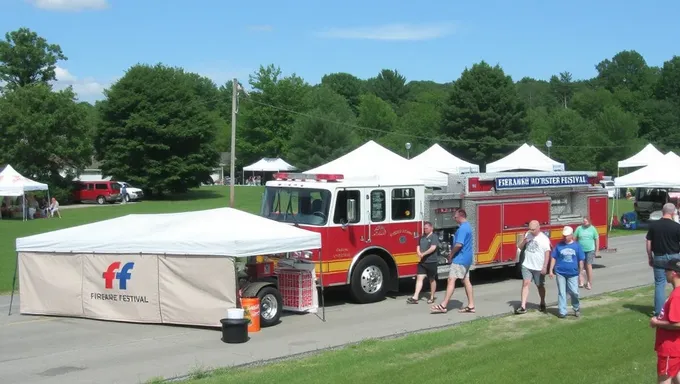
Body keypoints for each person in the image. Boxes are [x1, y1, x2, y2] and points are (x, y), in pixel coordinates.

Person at [431, 209, 475, 314]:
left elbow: (459, 244)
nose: (454, 219)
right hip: (467, 259)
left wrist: (451, 255)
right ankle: (471, 305)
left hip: (460, 258)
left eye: (455, 217)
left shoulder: (463, 229)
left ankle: (443, 305)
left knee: (451, 279)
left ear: (460, 216)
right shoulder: (468, 226)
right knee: (466, 281)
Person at [647, 203, 680, 316]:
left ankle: (658, 312)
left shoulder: (654, 225)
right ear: (673, 212)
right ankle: (676, 307)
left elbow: (648, 242)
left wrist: (649, 256)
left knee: (660, 284)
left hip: (659, 256)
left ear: (662, 211)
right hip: (674, 257)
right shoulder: (677, 226)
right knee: (677, 283)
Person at [651, 258, 680, 384]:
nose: (664, 273)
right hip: (674, 348)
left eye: (666, 271)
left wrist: (656, 322)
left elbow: (678, 324)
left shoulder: (677, 295)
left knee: (664, 380)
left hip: (669, 348)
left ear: (673, 273)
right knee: (675, 376)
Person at [515, 220, 551, 314]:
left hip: (538, 267)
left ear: (539, 228)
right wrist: (524, 241)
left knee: (539, 285)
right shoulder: (528, 234)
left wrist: (545, 267)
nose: (531, 231)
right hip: (527, 265)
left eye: (533, 229)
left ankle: (542, 302)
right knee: (526, 283)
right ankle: (523, 306)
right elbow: (519, 247)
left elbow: (547, 253)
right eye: (530, 229)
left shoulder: (544, 239)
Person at [549, 226, 585, 318]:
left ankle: (576, 307)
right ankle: (562, 311)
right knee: (562, 292)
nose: (565, 237)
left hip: (573, 273)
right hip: (560, 272)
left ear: (571, 235)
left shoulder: (576, 246)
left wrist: (581, 273)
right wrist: (551, 270)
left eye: (567, 236)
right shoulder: (559, 245)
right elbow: (554, 257)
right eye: (564, 235)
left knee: (574, 292)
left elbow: (581, 260)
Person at [407, 221, 439, 305]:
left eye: (427, 228)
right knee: (419, 278)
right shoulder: (422, 237)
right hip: (422, 262)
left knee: (431, 279)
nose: (425, 230)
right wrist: (419, 253)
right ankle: (415, 297)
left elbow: (433, 248)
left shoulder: (434, 237)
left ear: (431, 228)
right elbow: (418, 246)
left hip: (431, 261)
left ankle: (432, 297)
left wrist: (423, 254)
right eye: (424, 228)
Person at [574, 217, 599, 290]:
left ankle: (589, 282)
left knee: (588, 265)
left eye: (586, 221)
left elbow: (597, 239)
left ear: (589, 222)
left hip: (590, 250)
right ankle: (581, 281)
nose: (585, 223)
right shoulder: (579, 228)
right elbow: (574, 238)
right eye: (584, 221)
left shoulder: (593, 229)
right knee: (580, 266)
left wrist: (597, 250)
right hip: (581, 250)